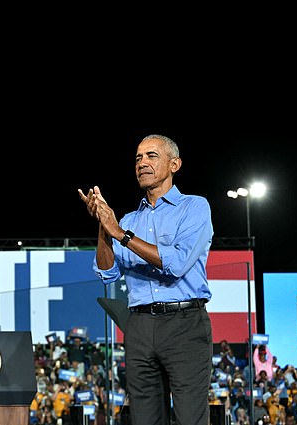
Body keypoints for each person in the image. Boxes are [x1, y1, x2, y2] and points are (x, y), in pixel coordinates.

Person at [78, 134, 214, 425]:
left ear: (174, 164)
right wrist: (104, 229)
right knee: (145, 419)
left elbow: (176, 263)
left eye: (152, 156)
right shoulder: (126, 220)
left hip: (185, 325)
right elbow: (106, 273)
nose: (142, 163)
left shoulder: (195, 207)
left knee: (191, 418)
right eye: (138, 158)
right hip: (139, 326)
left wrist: (120, 235)